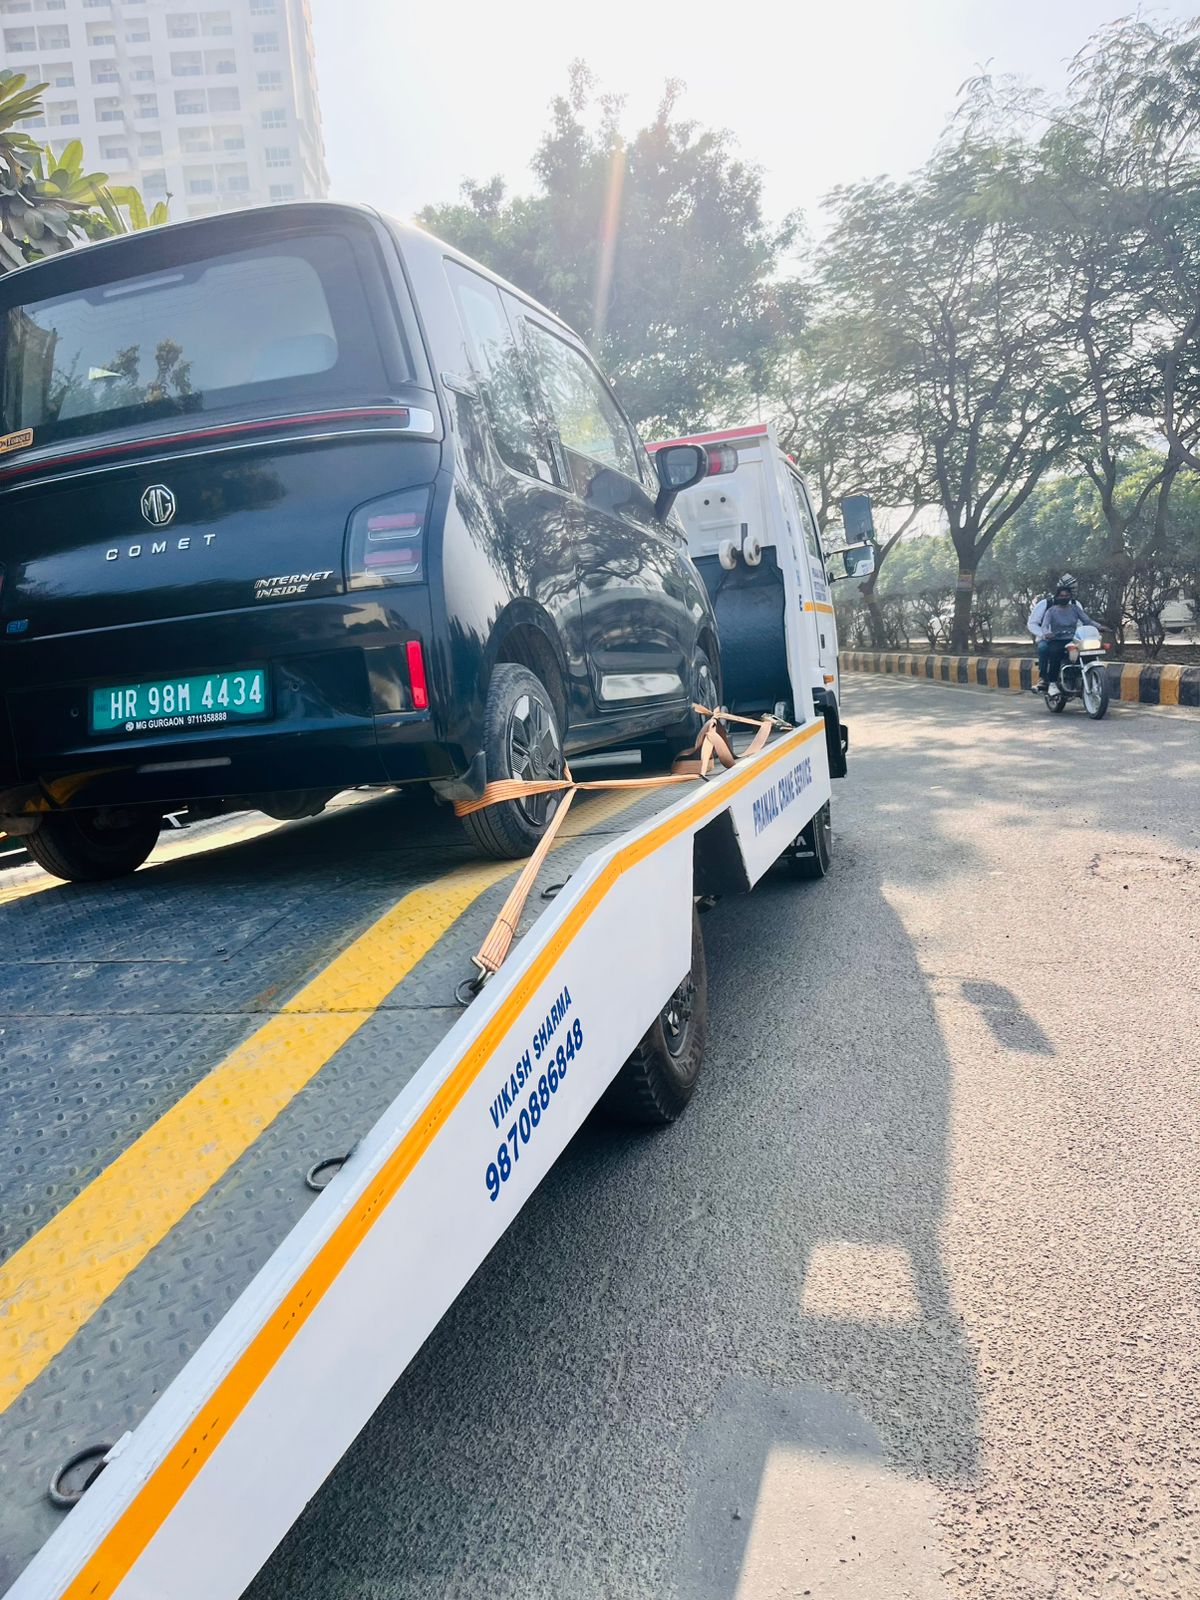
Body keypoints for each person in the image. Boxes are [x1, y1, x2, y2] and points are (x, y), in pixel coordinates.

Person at [1035, 580, 1099, 693]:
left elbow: (1087, 621)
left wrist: (1100, 627)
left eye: (1067, 595)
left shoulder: (1075, 609)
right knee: (1054, 653)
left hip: (1073, 639)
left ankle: (1084, 676)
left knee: (1087, 653)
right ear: (1057, 597)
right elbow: (1044, 626)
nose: (1064, 597)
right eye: (1062, 596)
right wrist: (1047, 633)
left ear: (1070, 597)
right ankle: (1052, 682)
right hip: (1057, 639)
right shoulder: (1051, 611)